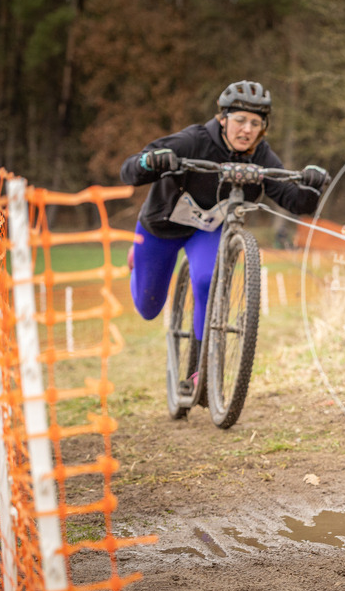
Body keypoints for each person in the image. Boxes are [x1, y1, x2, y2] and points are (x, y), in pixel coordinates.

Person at [120, 80, 329, 385]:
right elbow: (130, 170)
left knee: (206, 279)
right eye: (240, 120)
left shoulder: (261, 156)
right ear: (223, 119)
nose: (246, 130)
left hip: (207, 232)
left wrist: (312, 185)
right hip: (162, 227)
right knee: (148, 308)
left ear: (263, 129)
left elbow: (293, 200)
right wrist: (150, 162)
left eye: (255, 123)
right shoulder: (193, 140)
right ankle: (138, 261)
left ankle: (202, 369)